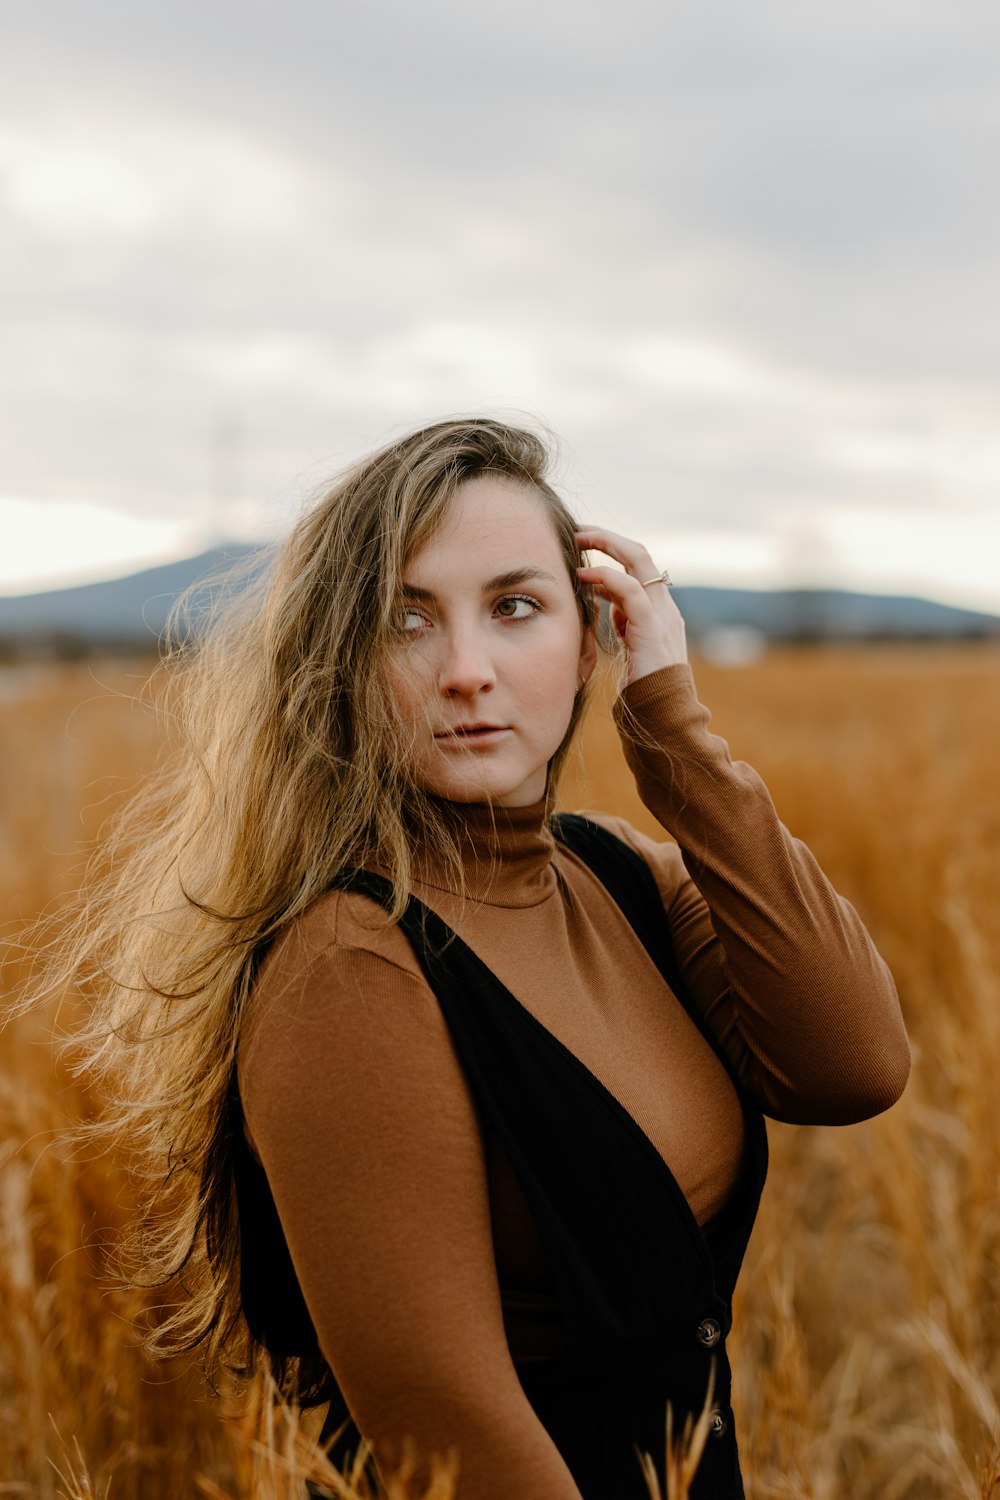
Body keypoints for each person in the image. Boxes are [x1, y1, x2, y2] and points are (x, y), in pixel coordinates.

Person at [48, 418, 910, 1500]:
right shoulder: (348, 967)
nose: (466, 672)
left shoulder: (620, 880)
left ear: (590, 642)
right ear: (340, 664)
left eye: (515, 608)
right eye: (405, 620)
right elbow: (442, 1432)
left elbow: (854, 1068)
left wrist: (677, 738)